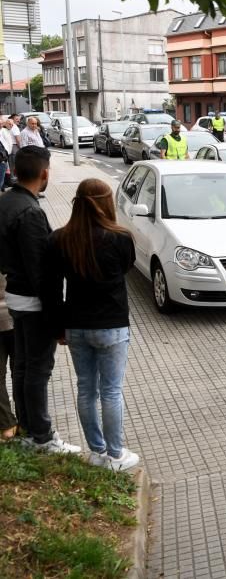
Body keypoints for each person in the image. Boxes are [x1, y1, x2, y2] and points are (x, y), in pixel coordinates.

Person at [42, 179, 139, 471]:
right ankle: (116, 455)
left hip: (76, 326)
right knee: (111, 391)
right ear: (106, 202)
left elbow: (51, 287)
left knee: (86, 389)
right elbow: (125, 269)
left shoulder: (60, 238)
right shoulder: (121, 237)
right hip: (111, 326)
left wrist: (58, 327)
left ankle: (97, 453)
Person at [0, 146, 80, 454]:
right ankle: (42, 436)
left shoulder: (6, 202)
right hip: (33, 304)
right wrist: (58, 321)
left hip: (15, 298)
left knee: (22, 367)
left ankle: (27, 428)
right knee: (37, 369)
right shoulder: (30, 212)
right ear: (44, 173)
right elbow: (42, 275)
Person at [0, 273, 17, 439]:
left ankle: (7, 427)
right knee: (22, 372)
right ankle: (28, 423)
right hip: (18, 313)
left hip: (16, 314)